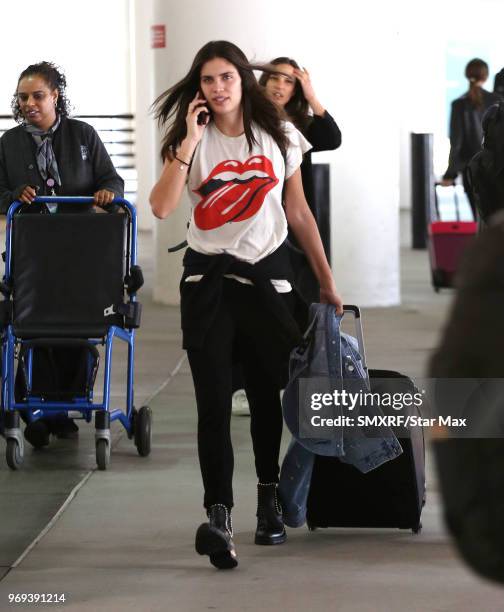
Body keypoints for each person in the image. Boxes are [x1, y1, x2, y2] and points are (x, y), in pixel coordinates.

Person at [149, 40, 342, 570]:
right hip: (207, 285)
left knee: (263, 397)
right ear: (199, 87)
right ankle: (219, 517)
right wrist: (188, 140)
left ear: (244, 80)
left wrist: (325, 281)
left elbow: (298, 213)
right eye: (208, 80)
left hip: (266, 283)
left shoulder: (279, 134)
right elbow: (162, 205)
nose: (218, 88)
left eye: (227, 78)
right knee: (212, 402)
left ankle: (267, 501)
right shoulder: (189, 140)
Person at [0, 61, 124, 444]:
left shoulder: (83, 136)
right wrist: (12, 197)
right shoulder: (8, 143)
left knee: (77, 329)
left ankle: (65, 407)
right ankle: (35, 407)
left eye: (38, 95)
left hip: (81, 254)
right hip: (33, 257)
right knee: (35, 331)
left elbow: (111, 179)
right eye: (23, 98)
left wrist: (108, 195)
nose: (30, 104)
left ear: (56, 95)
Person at [260, 58, 341, 304]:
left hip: (294, 216)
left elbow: (332, 138)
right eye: (275, 77)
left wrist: (311, 96)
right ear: (264, 81)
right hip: (261, 216)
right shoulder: (247, 120)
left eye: (289, 82)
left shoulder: (300, 125)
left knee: (298, 286)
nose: (280, 86)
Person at [441, 59, 503, 219]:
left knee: (478, 215)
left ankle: (481, 242)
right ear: (486, 76)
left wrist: (450, 173)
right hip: (496, 167)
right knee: (495, 215)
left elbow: (457, 143)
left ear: (467, 76)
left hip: (470, 168)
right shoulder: (499, 101)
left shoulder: (458, 105)